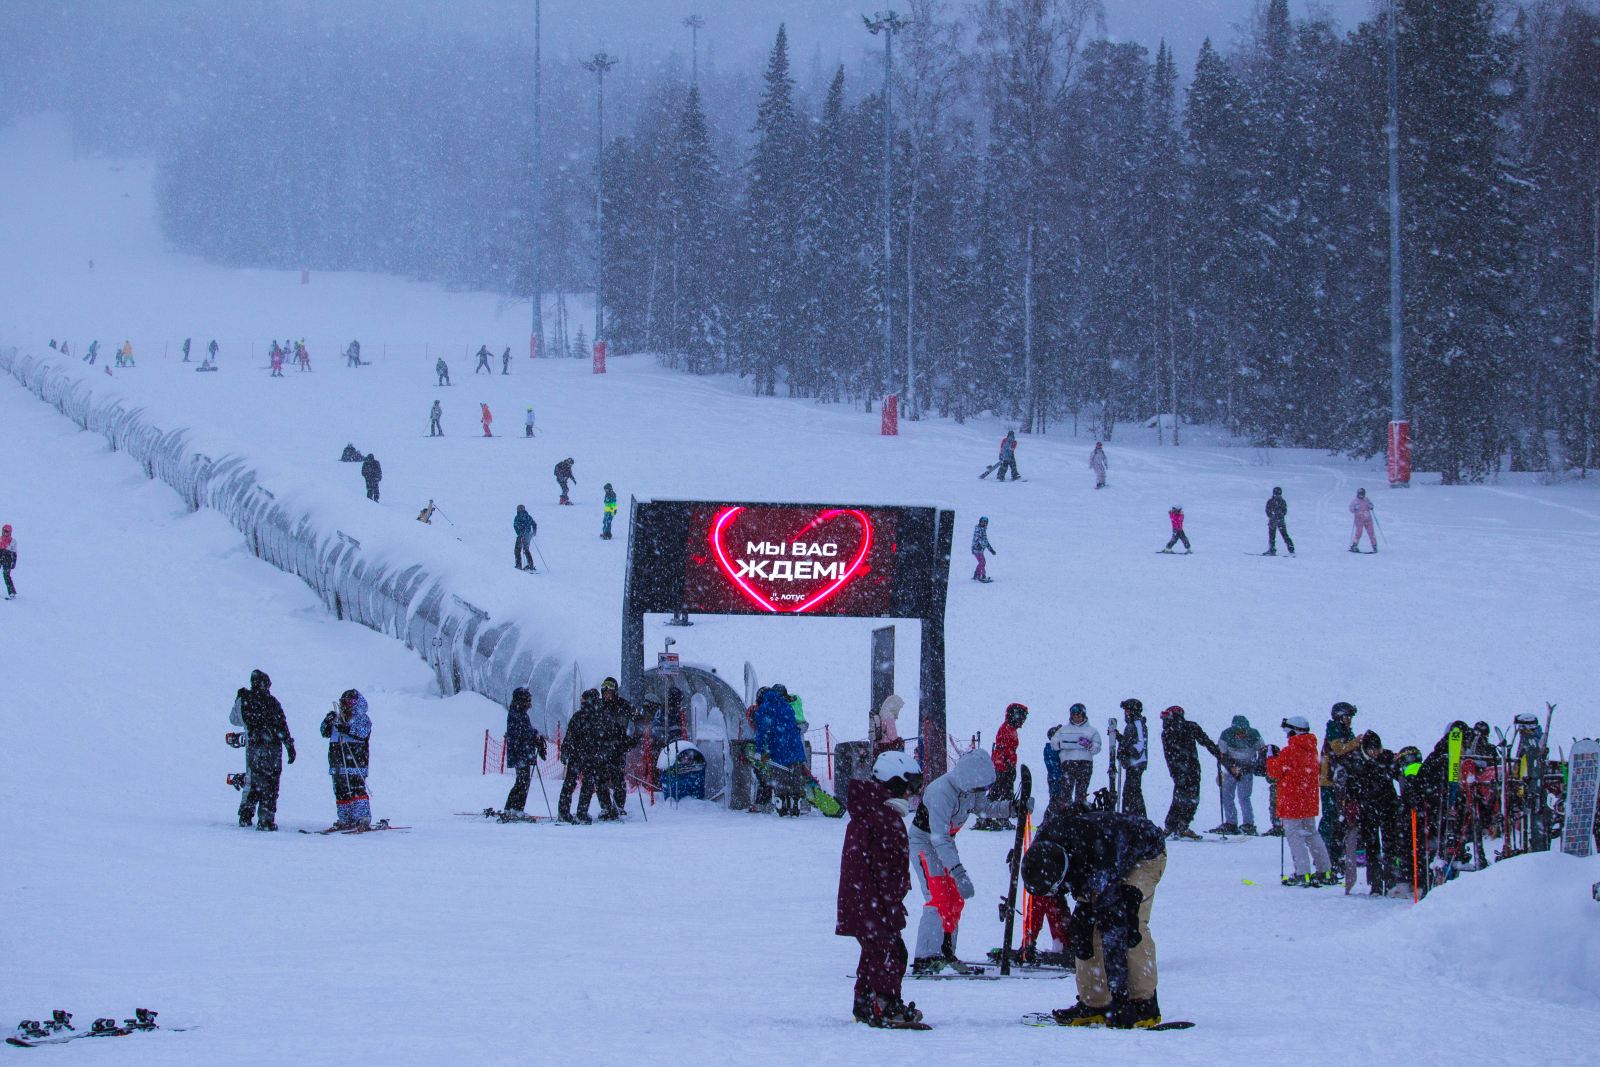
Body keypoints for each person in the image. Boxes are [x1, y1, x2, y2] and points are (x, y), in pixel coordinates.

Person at [1022, 807, 1168, 1028]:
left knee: (1129, 922)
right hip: (1099, 855)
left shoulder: (1097, 862)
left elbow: (1114, 930)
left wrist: (1120, 997)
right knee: (1083, 928)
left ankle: (1142, 1004)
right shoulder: (1042, 847)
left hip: (1144, 854)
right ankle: (1095, 1003)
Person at [907, 748, 1022, 972]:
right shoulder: (941, 791)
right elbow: (938, 837)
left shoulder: (971, 787)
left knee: (955, 899)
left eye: (983, 789)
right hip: (925, 843)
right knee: (938, 897)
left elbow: (984, 809)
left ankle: (946, 950)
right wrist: (958, 872)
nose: (980, 792)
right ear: (967, 779)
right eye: (979, 788)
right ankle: (926, 956)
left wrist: (1011, 809)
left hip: (945, 843)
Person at [838, 750, 926, 1029]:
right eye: (909, 786)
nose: (911, 794)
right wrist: (893, 905)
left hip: (860, 900)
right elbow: (888, 869)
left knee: (875, 950)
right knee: (890, 951)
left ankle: (865, 1003)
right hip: (874, 901)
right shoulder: (886, 819)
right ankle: (885, 1004)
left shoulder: (868, 813)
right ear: (895, 782)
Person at [1265, 716, 1334, 886]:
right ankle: (1325, 870)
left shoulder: (1290, 750)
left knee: (1295, 837)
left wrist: (1270, 757)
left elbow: (1274, 771)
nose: (1287, 735)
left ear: (1294, 730)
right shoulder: (1312, 749)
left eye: (1288, 732)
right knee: (1312, 834)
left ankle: (1303, 873)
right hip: (1308, 801)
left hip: (1291, 802)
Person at [237, 670, 295, 831]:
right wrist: (289, 745)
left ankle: (245, 816)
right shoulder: (272, 702)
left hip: (254, 747)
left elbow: (235, 719)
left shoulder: (245, 700)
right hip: (272, 748)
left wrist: (239, 700)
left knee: (255, 782)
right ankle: (265, 820)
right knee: (270, 784)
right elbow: (282, 725)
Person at [1344, 731, 1400, 895]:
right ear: (1365, 749)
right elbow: (1351, 787)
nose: (1376, 753)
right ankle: (1375, 884)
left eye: (1378, 749)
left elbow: (1397, 775)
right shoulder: (1356, 762)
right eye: (1372, 750)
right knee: (1372, 847)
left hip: (1388, 806)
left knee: (1390, 845)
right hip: (1368, 810)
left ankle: (1390, 881)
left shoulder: (1387, 757)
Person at [1159, 706, 1225, 839]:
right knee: (1192, 797)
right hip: (1192, 768)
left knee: (1179, 797)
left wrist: (1174, 770)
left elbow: (1169, 755)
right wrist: (1217, 752)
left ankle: (1170, 826)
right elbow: (1204, 741)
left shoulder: (1166, 732)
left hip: (1177, 770)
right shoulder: (1190, 726)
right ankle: (1182, 825)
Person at [751, 684, 810, 816]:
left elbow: (761, 733)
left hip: (779, 749)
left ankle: (781, 805)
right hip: (796, 749)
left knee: (781, 779)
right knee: (795, 779)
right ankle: (796, 804)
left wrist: (759, 751)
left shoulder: (763, 710)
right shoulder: (787, 707)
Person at [319, 689, 372, 829]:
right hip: (338, 759)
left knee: (357, 788)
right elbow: (324, 732)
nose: (346, 705)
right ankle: (345, 818)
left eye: (350, 702)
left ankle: (362, 817)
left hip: (355, 759)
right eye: (344, 702)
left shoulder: (362, 718)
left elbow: (362, 732)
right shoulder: (337, 717)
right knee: (341, 789)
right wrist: (327, 721)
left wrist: (347, 728)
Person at [558, 689, 611, 823]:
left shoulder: (579, 716)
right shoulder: (599, 717)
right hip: (590, 757)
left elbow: (569, 736)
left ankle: (564, 812)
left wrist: (565, 752)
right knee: (587, 785)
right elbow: (603, 739)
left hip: (577, 756)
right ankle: (581, 813)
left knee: (570, 784)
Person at [1319, 702, 1361, 868]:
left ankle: (1333, 853)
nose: (1349, 721)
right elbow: (1339, 749)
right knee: (1330, 817)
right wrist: (1356, 742)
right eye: (1346, 717)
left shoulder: (1344, 730)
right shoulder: (1334, 730)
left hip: (1340, 782)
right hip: (1330, 782)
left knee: (1337, 818)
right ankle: (1325, 853)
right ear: (1339, 717)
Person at [1213, 715, 1265, 834]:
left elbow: (1262, 751)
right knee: (1227, 795)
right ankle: (1231, 823)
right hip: (1231, 768)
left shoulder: (1254, 734)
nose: (1242, 734)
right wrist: (1231, 767)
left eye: (1244, 731)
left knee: (1244, 797)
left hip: (1247, 769)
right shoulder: (1226, 735)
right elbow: (1222, 754)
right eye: (1239, 731)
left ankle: (1248, 823)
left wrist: (1255, 766)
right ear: (1233, 730)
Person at [503, 687, 548, 814]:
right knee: (522, 782)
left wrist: (535, 735)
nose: (529, 704)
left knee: (523, 781)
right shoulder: (516, 715)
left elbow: (525, 730)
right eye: (527, 700)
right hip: (520, 754)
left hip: (523, 753)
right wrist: (534, 737)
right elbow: (520, 733)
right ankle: (514, 809)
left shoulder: (520, 714)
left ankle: (513, 808)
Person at [1054, 703, 1102, 807]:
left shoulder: (1091, 731)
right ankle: (1065, 811)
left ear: (1084, 716)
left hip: (1085, 763)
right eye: (1075, 716)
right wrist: (1061, 743)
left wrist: (1089, 746)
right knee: (1066, 790)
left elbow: (1097, 747)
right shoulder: (1064, 730)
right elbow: (1054, 743)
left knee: (1081, 790)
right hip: (1068, 762)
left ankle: (1079, 810)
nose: (1077, 719)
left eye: (1079, 716)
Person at [1116, 699, 1150, 817]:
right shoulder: (1131, 725)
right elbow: (1129, 742)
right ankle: (1131, 817)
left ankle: (1138, 819)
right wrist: (1119, 737)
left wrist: (1126, 751)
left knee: (1133, 791)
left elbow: (1140, 744)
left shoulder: (1137, 723)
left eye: (1128, 710)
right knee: (1130, 791)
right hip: (1132, 763)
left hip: (1137, 762)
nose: (1125, 713)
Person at [1265, 487, 1294, 555]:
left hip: (1273, 521)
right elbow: (1284, 511)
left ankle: (1272, 549)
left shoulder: (1271, 501)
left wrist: (1272, 517)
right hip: (1280, 521)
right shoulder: (1282, 501)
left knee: (1272, 536)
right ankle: (1291, 549)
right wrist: (1279, 516)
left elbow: (1267, 510)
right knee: (1284, 536)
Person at [971, 517, 995, 582]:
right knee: (982, 562)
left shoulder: (983, 530)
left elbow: (985, 541)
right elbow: (978, 538)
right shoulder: (978, 529)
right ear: (980, 522)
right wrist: (979, 544)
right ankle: (982, 575)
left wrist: (990, 549)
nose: (984, 523)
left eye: (985, 522)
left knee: (982, 562)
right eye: (983, 521)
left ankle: (977, 574)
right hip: (976, 549)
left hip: (979, 549)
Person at [513, 505, 536, 571]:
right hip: (528, 535)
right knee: (526, 549)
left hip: (521, 535)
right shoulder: (528, 516)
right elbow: (534, 524)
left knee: (517, 550)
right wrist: (533, 533)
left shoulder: (518, 517)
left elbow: (515, 526)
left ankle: (518, 565)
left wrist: (519, 533)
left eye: (518, 509)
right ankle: (530, 565)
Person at [0, 525, 17, 600]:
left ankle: (12, 593)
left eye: (6, 531)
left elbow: (14, 553)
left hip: (7, 559)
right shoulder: (0, 540)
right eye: (3, 531)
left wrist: (13, 563)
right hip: (0, 557)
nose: (5, 533)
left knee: (6, 576)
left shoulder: (13, 542)